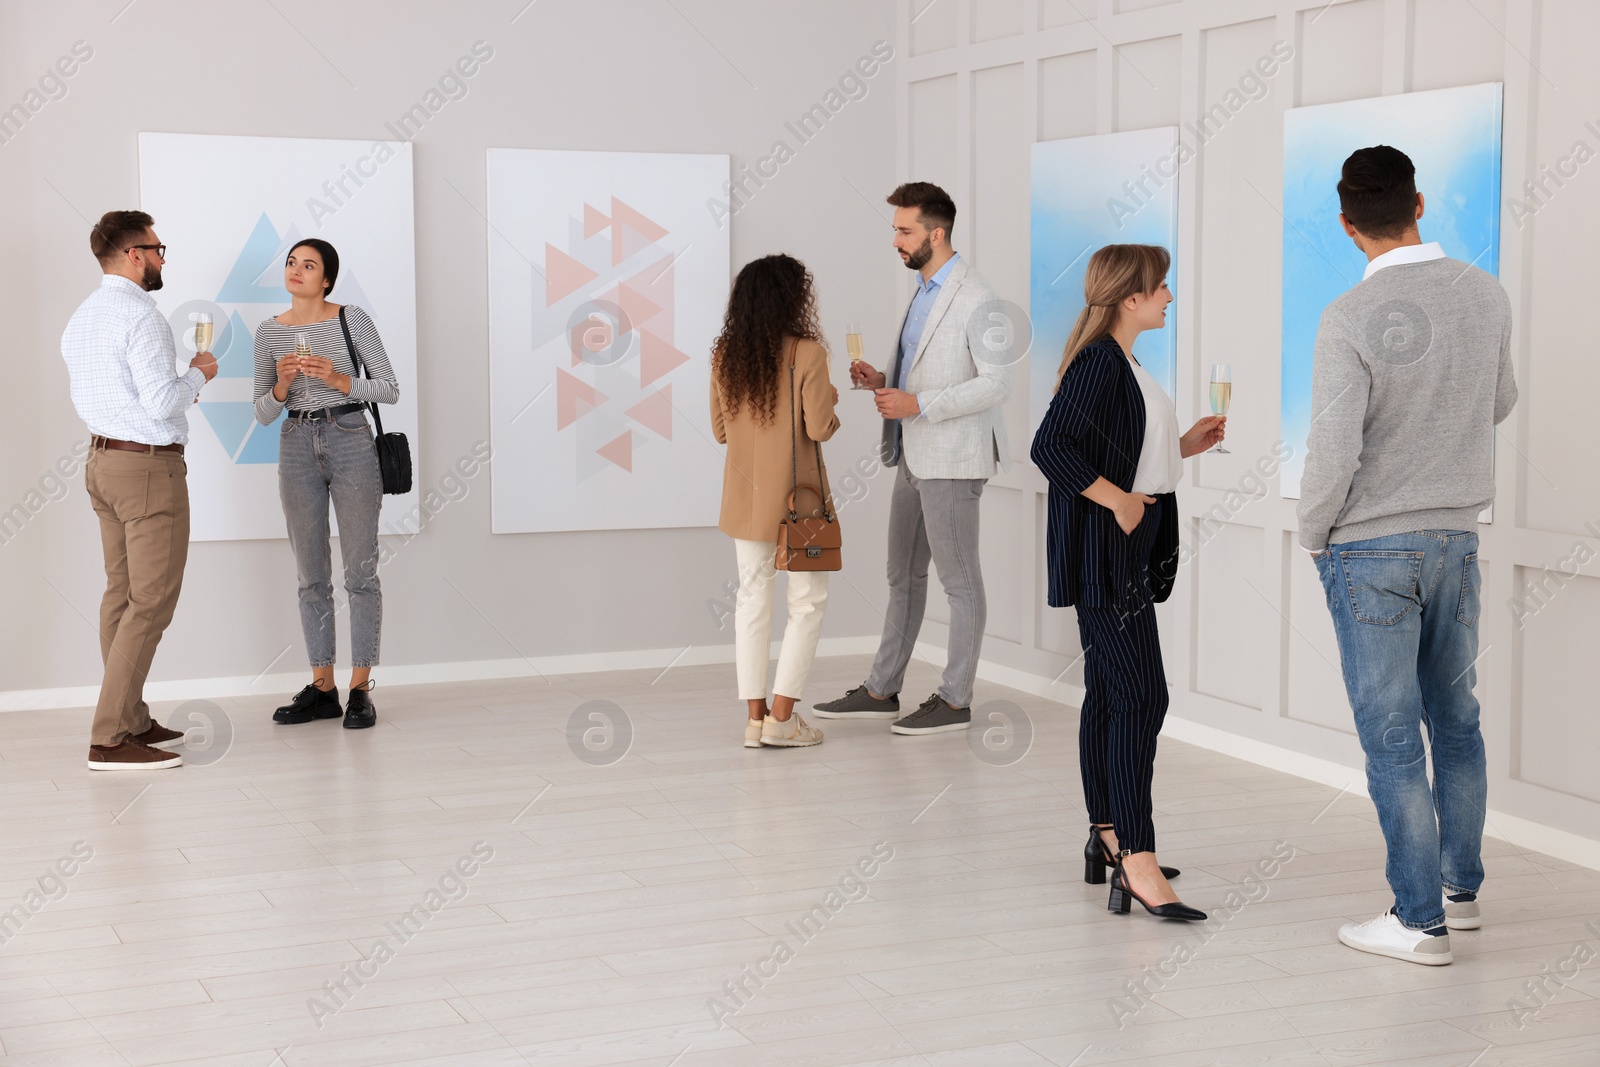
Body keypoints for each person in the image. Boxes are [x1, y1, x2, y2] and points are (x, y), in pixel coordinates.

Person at [1299, 146, 1517, 965]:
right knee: (1456, 721)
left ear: (1349, 224)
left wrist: (1313, 532)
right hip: (1456, 537)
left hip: (1369, 545)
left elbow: (1333, 450)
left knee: (1392, 735)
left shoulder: (1347, 318)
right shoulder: (1485, 293)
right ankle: (1460, 894)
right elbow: (1499, 399)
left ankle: (1416, 920)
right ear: (1420, 202)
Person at [1030, 243, 1224, 922]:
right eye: (1160, 287)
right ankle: (1135, 857)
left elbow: (1124, 449)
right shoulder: (1099, 363)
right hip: (1107, 547)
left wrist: (1185, 447)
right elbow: (1048, 446)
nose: (1168, 296)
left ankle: (1106, 834)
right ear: (1128, 297)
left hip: (1126, 544)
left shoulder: (1123, 361)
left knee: (1116, 692)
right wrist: (1114, 499)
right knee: (1143, 694)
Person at [812, 182, 1011, 736]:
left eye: (904, 231)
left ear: (936, 233)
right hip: (912, 454)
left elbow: (997, 384)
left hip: (951, 459)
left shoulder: (979, 298)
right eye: (895, 230)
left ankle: (955, 700)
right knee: (902, 574)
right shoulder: (923, 291)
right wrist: (885, 382)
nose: (895, 241)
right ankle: (882, 689)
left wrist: (917, 402)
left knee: (959, 580)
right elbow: (930, 367)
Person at [62, 210, 218, 770]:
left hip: (102, 464)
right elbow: (161, 403)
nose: (161, 258)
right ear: (134, 254)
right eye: (157, 248)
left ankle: (129, 718)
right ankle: (108, 739)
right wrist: (200, 372)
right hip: (148, 471)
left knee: (121, 595)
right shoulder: (143, 318)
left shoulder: (81, 317)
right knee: (151, 601)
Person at [253, 239, 399, 730]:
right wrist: (279, 383)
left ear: (327, 279)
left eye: (308, 265)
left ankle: (360, 689)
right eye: (291, 263)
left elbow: (389, 388)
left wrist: (339, 380)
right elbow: (263, 411)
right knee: (310, 575)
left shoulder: (350, 319)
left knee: (360, 572)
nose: (296, 270)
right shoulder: (269, 333)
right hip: (295, 441)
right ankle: (322, 689)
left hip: (351, 436)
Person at [710, 254, 838, 748]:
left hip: (743, 501)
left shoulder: (725, 354)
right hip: (798, 503)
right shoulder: (807, 353)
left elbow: (722, 430)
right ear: (792, 298)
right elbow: (819, 428)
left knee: (751, 604)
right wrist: (831, 402)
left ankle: (754, 720)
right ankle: (783, 722)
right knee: (806, 604)